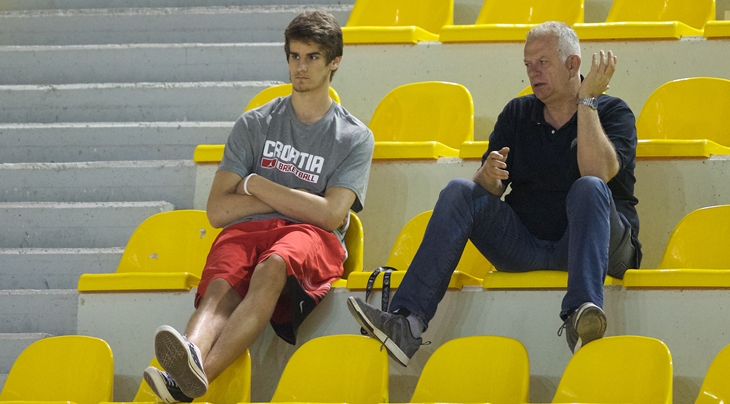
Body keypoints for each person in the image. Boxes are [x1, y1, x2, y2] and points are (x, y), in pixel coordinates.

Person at [347, 21, 641, 366]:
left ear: (573, 65)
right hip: (527, 246)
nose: (533, 73)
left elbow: (598, 172)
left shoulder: (613, 112)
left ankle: (583, 314)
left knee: (588, 187)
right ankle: (406, 322)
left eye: (543, 63)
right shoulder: (518, 113)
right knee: (460, 189)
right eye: (528, 65)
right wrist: (486, 176)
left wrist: (587, 102)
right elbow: (488, 188)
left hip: (597, 247)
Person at [143, 11, 374, 402]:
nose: (300, 67)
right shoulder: (254, 124)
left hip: (312, 237)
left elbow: (332, 215)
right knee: (219, 286)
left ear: (334, 61)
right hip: (250, 230)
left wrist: (255, 183)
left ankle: (186, 382)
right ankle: (191, 359)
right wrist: (299, 200)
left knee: (273, 266)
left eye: (312, 57)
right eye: (294, 56)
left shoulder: (354, 136)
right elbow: (217, 211)